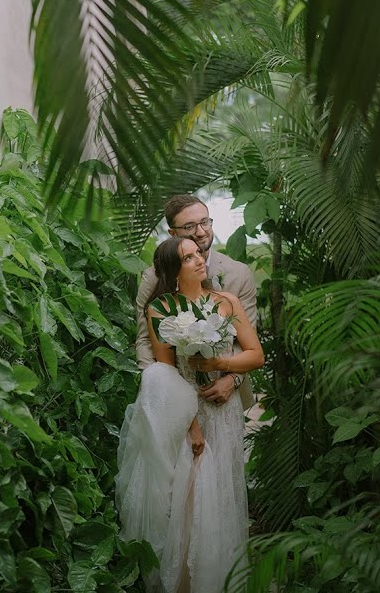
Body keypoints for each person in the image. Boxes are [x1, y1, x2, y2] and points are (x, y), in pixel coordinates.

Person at [116, 235, 265, 593]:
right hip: (189, 413)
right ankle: (183, 583)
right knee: (189, 500)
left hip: (224, 409)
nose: (199, 260)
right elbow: (166, 372)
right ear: (172, 270)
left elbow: (256, 355)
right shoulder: (161, 309)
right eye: (188, 258)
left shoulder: (226, 302)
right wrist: (191, 425)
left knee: (221, 497)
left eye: (198, 253)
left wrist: (221, 364)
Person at [135, 195, 259, 412]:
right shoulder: (153, 278)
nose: (201, 232)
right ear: (173, 234)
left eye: (205, 222)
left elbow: (247, 341)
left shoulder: (238, 275)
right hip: (175, 396)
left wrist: (232, 380)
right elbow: (146, 340)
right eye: (190, 226)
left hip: (226, 394)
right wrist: (157, 394)